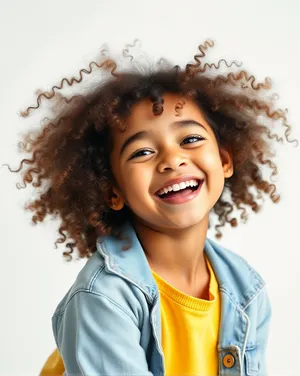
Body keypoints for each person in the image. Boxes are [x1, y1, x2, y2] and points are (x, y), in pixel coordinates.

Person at [6, 39, 298, 376]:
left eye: (189, 139)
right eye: (142, 152)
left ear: (224, 160)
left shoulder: (245, 290)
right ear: (112, 190)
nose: (172, 160)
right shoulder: (103, 299)